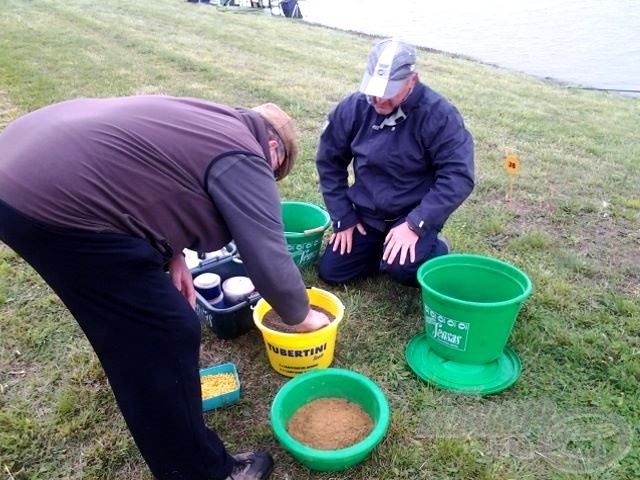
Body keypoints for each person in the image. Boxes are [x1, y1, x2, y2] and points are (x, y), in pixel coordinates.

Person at [0, 95, 330, 480]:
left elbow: (150, 180)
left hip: (22, 160)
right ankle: (198, 472)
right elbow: (267, 255)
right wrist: (302, 315)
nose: (268, 179)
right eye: (275, 171)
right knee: (162, 335)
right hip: (53, 197)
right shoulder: (246, 153)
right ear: (273, 147)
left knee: (140, 329)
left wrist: (171, 253)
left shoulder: (211, 121)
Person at [316, 38, 475, 286]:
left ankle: (434, 247)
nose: (379, 100)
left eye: (389, 92)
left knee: (403, 271)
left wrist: (416, 224)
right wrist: (344, 216)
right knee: (332, 272)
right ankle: (380, 251)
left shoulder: (439, 115)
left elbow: (458, 176)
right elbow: (329, 161)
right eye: (374, 90)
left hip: (410, 215)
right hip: (366, 215)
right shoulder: (353, 108)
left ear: (412, 80)